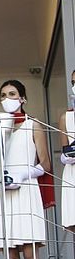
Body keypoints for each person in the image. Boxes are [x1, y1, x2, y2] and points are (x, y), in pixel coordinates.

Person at [0, 79, 50, 259]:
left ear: (22, 98)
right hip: (6, 194)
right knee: (11, 258)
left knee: (30, 254)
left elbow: (46, 164)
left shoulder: (33, 126)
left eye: (12, 94)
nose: (7, 99)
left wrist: (24, 174)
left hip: (26, 189)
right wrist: (3, 133)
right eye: (4, 95)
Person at [58, 70, 75, 233]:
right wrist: (67, 157)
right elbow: (64, 152)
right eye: (73, 83)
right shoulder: (66, 117)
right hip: (73, 174)